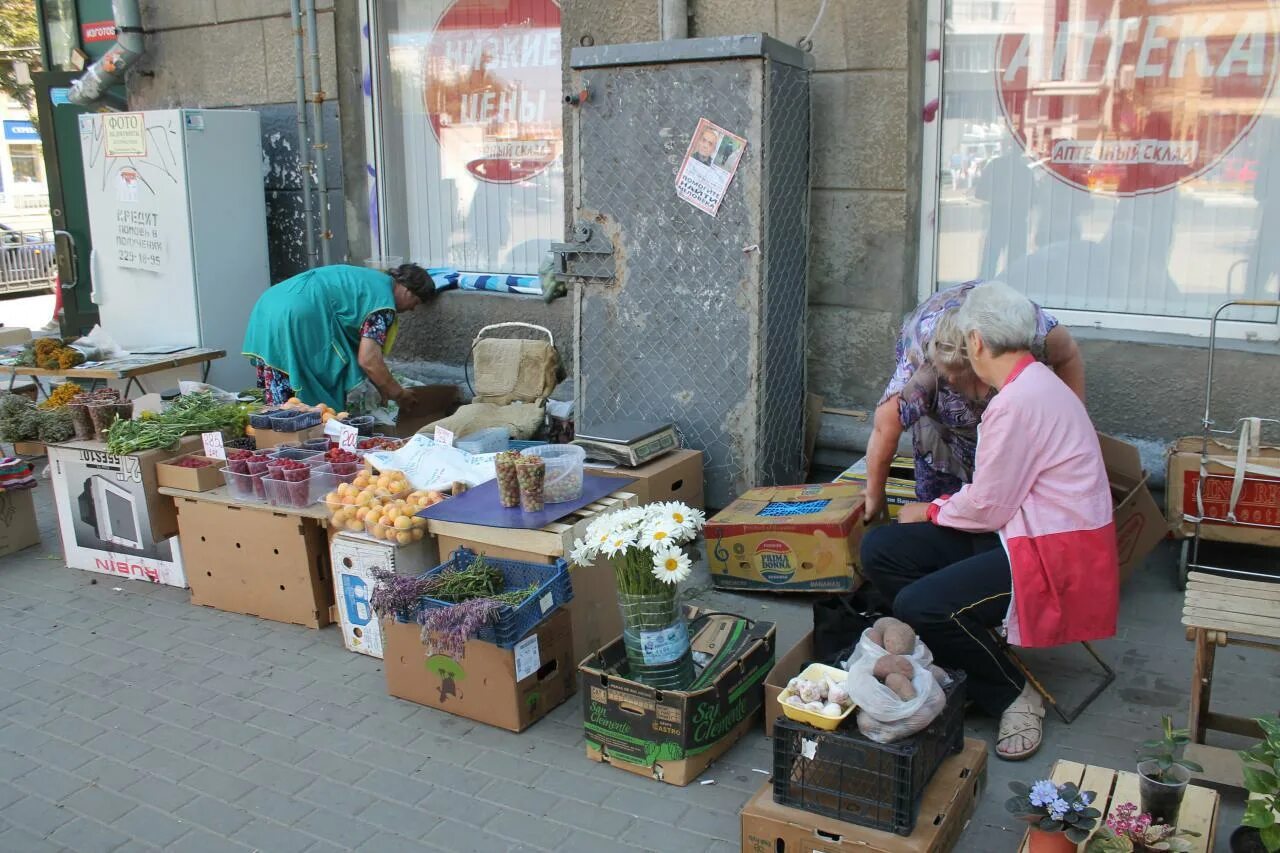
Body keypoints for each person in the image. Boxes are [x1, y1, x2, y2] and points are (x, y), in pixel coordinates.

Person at [859, 282, 1119, 761]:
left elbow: (986, 507)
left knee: (922, 603)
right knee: (882, 551)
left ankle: (1013, 694)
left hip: (1052, 552)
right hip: (1023, 531)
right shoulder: (1034, 381)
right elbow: (994, 504)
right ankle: (968, 652)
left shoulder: (1015, 403)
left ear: (975, 342)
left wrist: (930, 510)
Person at [863, 281, 1085, 520]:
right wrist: (875, 496)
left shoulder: (1031, 335)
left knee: (1012, 497)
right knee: (934, 499)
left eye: (982, 382)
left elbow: (1069, 355)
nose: (982, 396)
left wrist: (1076, 430)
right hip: (941, 419)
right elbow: (884, 429)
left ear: (982, 354)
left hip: (1001, 350)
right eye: (959, 383)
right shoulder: (920, 377)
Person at [242, 263, 437, 410]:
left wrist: (382, 386)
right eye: (416, 302)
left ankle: (278, 445)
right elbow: (369, 360)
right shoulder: (383, 302)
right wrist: (398, 393)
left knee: (282, 399)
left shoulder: (369, 280)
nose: (412, 309)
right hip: (298, 314)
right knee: (315, 404)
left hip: (269, 305)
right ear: (406, 289)